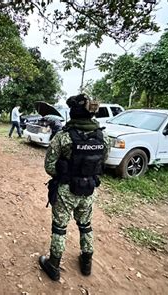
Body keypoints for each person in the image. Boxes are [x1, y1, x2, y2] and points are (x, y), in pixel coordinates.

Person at [39, 94, 110, 281]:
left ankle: (53, 265)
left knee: (60, 228)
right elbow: (102, 162)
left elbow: (49, 167)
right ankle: (87, 262)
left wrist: (65, 172)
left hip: (66, 190)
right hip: (89, 190)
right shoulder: (104, 137)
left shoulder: (63, 137)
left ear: (73, 113)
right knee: (85, 225)